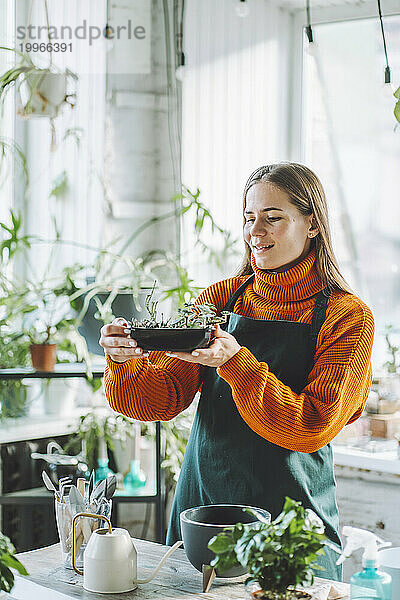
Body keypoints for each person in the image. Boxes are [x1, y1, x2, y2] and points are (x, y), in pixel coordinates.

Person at [100, 163, 374, 581]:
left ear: (312, 223)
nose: (255, 232)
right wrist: (123, 362)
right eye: (249, 218)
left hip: (291, 522)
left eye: (273, 217)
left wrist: (234, 363)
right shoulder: (220, 298)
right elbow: (162, 399)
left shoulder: (347, 316)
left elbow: (312, 426)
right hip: (203, 510)